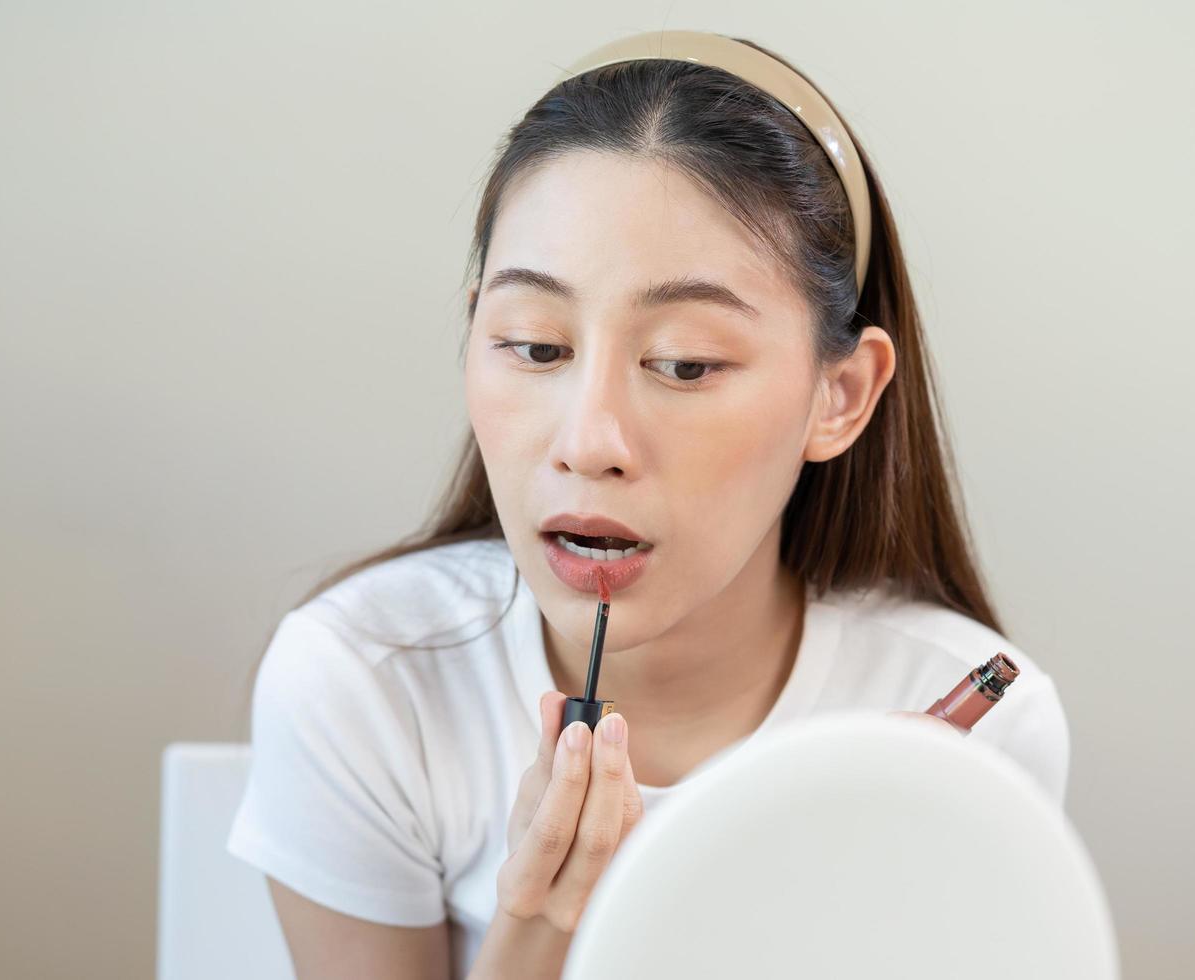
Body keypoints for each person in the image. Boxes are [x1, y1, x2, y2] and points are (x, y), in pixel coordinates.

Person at [226, 32, 1071, 980]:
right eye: (537, 348)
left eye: (684, 364)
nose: (589, 442)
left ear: (839, 395)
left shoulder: (975, 727)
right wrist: (537, 935)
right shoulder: (368, 683)